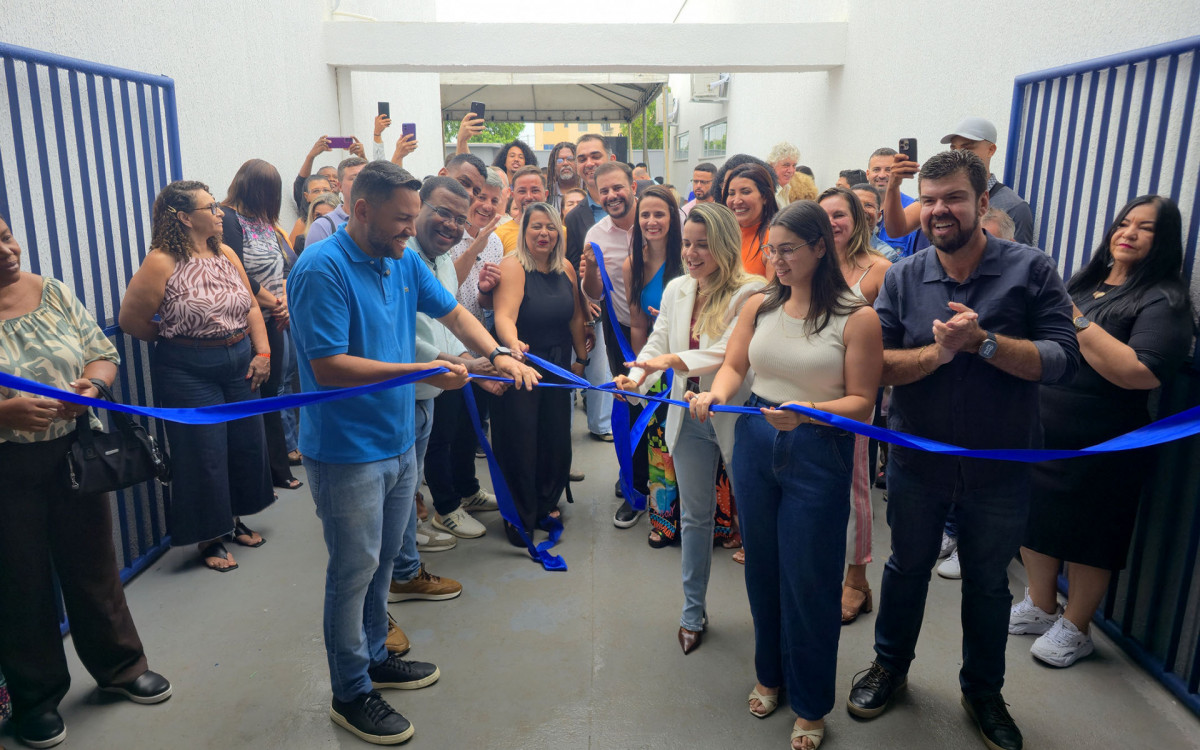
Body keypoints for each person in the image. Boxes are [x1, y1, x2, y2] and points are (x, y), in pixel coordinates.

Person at [287, 161, 538, 744]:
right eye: (401, 221)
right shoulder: (320, 270)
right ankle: (350, 691)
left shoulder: (399, 261)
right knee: (352, 571)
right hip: (347, 450)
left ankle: (375, 654)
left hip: (399, 442)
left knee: (379, 568)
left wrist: (498, 354)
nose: (409, 231)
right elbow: (327, 367)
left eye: (412, 219)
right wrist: (423, 370)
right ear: (361, 210)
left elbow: (452, 312)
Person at [847, 150, 1080, 750]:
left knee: (985, 582)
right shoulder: (904, 276)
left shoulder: (1030, 270)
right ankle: (889, 667)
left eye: (952, 198)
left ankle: (983, 692)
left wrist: (986, 344)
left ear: (982, 203)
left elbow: (1061, 359)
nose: (938, 210)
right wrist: (938, 354)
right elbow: (875, 367)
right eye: (928, 199)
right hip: (917, 462)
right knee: (906, 569)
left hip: (999, 466)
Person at [690, 200, 882, 750]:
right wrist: (716, 396)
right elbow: (733, 365)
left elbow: (864, 402)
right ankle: (770, 675)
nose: (776, 261)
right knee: (763, 571)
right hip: (756, 440)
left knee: (811, 581)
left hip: (818, 447)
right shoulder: (759, 305)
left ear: (821, 247)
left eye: (788, 250)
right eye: (771, 250)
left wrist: (809, 412)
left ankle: (811, 703)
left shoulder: (856, 317)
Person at [0, 214, 172, 749]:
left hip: (71, 453)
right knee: (18, 583)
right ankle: (36, 699)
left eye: (6, 236)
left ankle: (122, 667)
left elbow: (101, 349)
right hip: (5, 467)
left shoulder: (51, 291)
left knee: (94, 564)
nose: (7, 251)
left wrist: (93, 386)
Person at [1013, 195, 1193, 667]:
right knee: (1034, 518)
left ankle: (1076, 627)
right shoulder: (1086, 282)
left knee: (1092, 534)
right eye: (1124, 223)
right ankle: (1039, 603)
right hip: (1044, 429)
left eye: (1145, 228)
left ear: (1165, 239)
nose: (1128, 233)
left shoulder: (1164, 300)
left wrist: (1074, 319)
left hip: (1107, 441)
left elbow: (1141, 372)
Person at [616, 201, 764, 639]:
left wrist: (669, 360)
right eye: (688, 244)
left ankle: (768, 618)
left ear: (725, 245)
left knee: (755, 521)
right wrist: (637, 375)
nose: (692, 253)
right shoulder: (678, 288)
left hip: (737, 418)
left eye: (704, 245)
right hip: (687, 417)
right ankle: (692, 612)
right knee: (694, 519)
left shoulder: (752, 291)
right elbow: (658, 340)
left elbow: (725, 353)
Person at [119, 180, 274, 573]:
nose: (220, 212)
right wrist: (178, 338)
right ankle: (210, 537)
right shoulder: (161, 261)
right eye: (211, 207)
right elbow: (131, 321)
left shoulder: (224, 252)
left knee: (244, 443)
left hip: (239, 360)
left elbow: (252, 307)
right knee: (203, 453)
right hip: (189, 370)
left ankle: (233, 519)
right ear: (185, 218)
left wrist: (264, 352)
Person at [410, 177, 504, 542]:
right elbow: (405, 336)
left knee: (448, 437)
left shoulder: (442, 256)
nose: (451, 224)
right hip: (411, 380)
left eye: (458, 219)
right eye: (442, 213)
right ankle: (441, 512)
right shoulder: (403, 259)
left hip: (443, 372)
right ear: (419, 205)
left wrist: (476, 361)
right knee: (426, 453)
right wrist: (468, 363)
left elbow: (449, 318)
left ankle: (422, 525)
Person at [491, 202, 589, 545]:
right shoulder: (514, 266)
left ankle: (547, 501)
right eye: (536, 227)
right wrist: (512, 344)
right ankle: (518, 512)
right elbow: (504, 315)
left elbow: (576, 316)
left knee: (555, 437)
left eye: (550, 227)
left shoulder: (565, 269)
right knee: (520, 440)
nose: (544, 233)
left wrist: (581, 358)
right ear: (523, 231)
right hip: (523, 366)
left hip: (559, 366)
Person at [818, 187, 893, 626]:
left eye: (840, 215)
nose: (832, 224)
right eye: (823, 216)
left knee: (856, 487)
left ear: (858, 220)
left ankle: (857, 580)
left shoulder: (881, 272)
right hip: (814, 393)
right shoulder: (814, 266)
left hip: (858, 399)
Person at [220, 159, 302, 492]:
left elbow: (283, 267)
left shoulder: (265, 222)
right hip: (248, 321)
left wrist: (284, 304)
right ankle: (267, 473)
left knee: (274, 395)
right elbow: (237, 272)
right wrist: (274, 302)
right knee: (256, 396)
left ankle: (278, 468)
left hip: (275, 318)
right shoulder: (228, 220)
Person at [580, 161, 649, 526]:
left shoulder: (659, 219)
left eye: (617, 188)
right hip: (622, 332)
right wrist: (591, 269)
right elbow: (592, 293)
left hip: (668, 332)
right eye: (603, 190)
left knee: (671, 408)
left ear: (633, 186)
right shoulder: (595, 233)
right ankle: (634, 484)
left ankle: (671, 486)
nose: (611, 196)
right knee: (630, 405)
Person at [620, 186, 687, 547]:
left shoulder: (690, 258)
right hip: (654, 368)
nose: (651, 221)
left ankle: (702, 518)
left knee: (691, 445)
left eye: (659, 214)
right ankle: (663, 520)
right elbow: (638, 327)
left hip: (691, 367)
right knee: (658, 445)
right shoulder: (634, 262)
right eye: (644, 214)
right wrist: (641, 375)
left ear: (673, 218)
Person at [884, 117, 1035, 246]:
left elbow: (1021, 266)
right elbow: (897, 229)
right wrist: (893, 185)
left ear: (991, 149)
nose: (959, 154)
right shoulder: (939, 193)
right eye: (953, 148)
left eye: (967, 148)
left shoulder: (1013, 206)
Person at [724, 162, 778, 277]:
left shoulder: (773, 241)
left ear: (765, 196)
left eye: (745, 192)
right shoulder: (723, 235)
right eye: (731, 193)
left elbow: (773, 294)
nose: (736, 200)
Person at [866, 147, 921, 257]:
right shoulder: (855, 208)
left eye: (888, 170)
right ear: (867, 174)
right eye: (876, 169)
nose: (881, 175)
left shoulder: (913, 210)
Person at [305, 156, 368, 247]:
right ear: (340, 186)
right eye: (355, 178)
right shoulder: (323, 226)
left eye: (366, 178)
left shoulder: (383, 221)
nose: (363, 183)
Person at [293, 135, 364, 214]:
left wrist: (362, 156)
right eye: (326, 177)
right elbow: (301, 183)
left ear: (340, 185)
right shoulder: (309, 205)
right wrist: (311, 156)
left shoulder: (345, 207)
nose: (332, 179)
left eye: (335, 177)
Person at [494, 165, 547, 255]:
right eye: (522, 191)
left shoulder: (561, 233)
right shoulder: (498, 235)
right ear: (513, 195)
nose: (529, 197)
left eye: (535, 190)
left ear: (546, 194)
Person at [850, 183, 900, 261]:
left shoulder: (887, 256)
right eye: (856, 204)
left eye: (868, 205)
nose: (861, 209)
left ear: (878, 216)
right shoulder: (832, 246)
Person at [290, 174, 333, 244]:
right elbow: (290, 253)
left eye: (325, 190)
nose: (322, 194)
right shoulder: (302, 223)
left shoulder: (341, 217)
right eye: (316, 191)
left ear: (332, 192)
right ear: (307, 196)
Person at [294, 191, 341, 256]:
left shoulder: (346, 240)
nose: (323, 220)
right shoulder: (302, 241)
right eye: (318, 215)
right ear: (312, 216)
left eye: (329, 215)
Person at [546, 141, 580, 213]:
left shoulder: (588, 190)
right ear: (554, 166)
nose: (565, 163)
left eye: (570, 159)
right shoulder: (548, 195)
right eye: (559, 160)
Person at [767, 142, 800, 209]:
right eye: (786, 165)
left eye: (794, 165)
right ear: (772, 165)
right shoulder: (769, 192)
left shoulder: (785, 189)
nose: (791, 170)